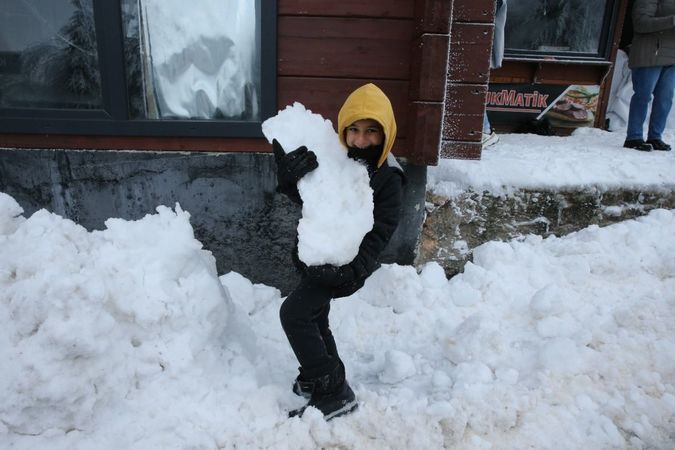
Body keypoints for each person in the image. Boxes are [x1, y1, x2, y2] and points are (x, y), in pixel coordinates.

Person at [272, 83, 405, 420]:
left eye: (372, 132)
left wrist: (352, 270)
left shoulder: (389, 178)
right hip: (318, 255)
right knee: (315, 316)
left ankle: (334, 392)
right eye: (354, 131)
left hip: (347, 264)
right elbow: (316, 201)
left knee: (295, 314)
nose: (361, 141)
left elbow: (380, 235)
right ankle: (320, 374)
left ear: (386, 133)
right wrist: (292, 182)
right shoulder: (338, 160)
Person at [624, 0, 675, 152]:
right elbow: (641, 23)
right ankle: (634, 137)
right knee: (643, 96)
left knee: (665, 99)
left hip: (671, 56)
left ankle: (655, 137)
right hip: (650, 54)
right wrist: (672, 20)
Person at [483, 0, 507, 148]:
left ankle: (485, 131)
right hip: (479, 43)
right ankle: (485, 130)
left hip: (479, 44)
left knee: (471, 87)